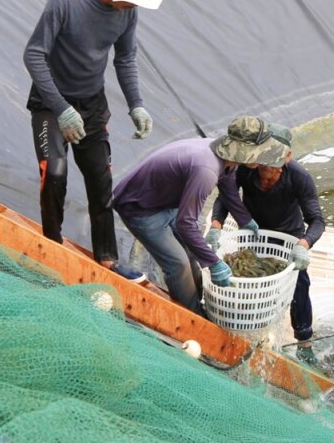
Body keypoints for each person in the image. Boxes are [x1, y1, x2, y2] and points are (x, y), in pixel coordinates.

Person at [23, 0, 164, 283]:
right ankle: (52, 248)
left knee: (101, 181)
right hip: (50, 102)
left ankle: (108, 258)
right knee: (54, 172)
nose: (133, 5)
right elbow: (34, 54)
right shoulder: (65, 0)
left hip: (91, 104)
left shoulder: (127, 12)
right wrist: (60, 109)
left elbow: (125, 59)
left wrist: (136, 104)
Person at [112, 116, 289, 314]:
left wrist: (245, 220)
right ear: (244, 150)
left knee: (193, 253)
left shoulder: (227, 158)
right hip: (140, 208)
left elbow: (228, 189)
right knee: (179, 264)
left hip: (167, 201)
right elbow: (186, 223)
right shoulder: (206, 170)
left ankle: (196, 303)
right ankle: (191, 316)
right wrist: (214, 263)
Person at [209, 124, 324, 357]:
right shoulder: (246, 170)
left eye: (272, 163)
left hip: (287, 238)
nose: (264, 168)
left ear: (287, 157)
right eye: (261, 161)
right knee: (247, 283)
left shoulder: (299, 178)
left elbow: (317, 220)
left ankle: (304, 343)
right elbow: (225, 198)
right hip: (253, 234)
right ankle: (246, 337)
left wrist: (303, 245)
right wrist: (216, 225)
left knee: (299, 284)